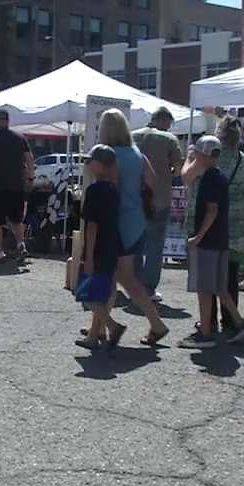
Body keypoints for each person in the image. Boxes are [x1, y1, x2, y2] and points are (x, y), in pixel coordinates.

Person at [98, 109, 171, 346]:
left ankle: (156, 323)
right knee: (113, 275)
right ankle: (99, 326)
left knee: (122, 276)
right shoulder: (137, 153)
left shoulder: (107, 155)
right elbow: (152, 181)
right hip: (137, 219)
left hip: (116, 221)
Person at [181, 135, 244, 348]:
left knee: (205, 288)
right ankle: (238, 323)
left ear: (202, 155)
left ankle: (205, 333)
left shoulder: (210, 178)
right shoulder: (219, 176)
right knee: (221, 286)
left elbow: (212, 210)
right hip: (221, 239)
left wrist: (198, 236)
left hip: (209, 241)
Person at [75, 145, 127, 350]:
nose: (88, 165)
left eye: (91, 161)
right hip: (113, 244)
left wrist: (88, 256)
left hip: (98, 247)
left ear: (101, 165)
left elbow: (92, 226)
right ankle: (97, 332)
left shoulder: (94, 190)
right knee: (106, 290)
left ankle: (112, 326)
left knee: (88, 294)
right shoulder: (114, 189)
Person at [132, 107, 183, 300]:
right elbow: (178, 170)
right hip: (160, 198)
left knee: (134, 243)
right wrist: (167, 173)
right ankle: (149, 288)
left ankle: (133, 284)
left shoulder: (132, 136)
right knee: (155, 245)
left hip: (134, 197)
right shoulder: (169, 139)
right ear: (164, 121)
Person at [0, 108, 34, 263]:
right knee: (16, 219)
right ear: (8, 121)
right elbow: (29, 159)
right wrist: (30, 178)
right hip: (16, 185)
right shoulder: (20, 138)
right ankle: (21, 245)